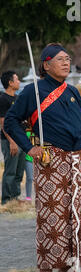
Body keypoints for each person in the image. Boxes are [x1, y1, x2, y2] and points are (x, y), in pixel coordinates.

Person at [4, 43, 81, 272]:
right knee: (51, 213)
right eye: (60, 59)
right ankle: (46, 268)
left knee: (76, 214)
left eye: (68, 59)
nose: (66, 63)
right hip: (50, 160)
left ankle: (70, 265)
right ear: (46, 64)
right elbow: (11, 121)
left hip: (77, 160)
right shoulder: (33, 91)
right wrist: (29, 147)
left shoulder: (74, 92)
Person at [0, 71, 26, 205]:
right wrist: (12, 142)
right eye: (17, 79)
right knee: (10, 171)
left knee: (19, 172)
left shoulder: (17, 98)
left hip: (21, 140)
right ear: (10, 83)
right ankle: (6, 200)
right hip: (10, 141)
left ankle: (15, 198)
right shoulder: (3, 99)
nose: (19, 81)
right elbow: (3, 124)